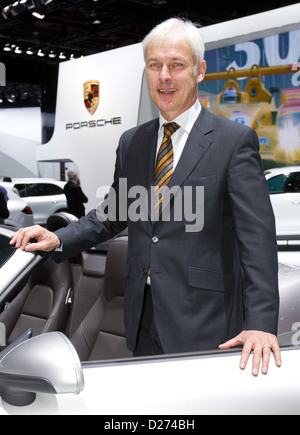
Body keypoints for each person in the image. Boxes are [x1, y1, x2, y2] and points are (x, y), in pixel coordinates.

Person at [10, 18, 281, 376]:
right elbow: (113, 213)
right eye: (155, 65)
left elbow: (256, 238)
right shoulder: (133, 142)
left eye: (176, 65)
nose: (164, 76)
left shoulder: (233, 142)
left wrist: (261, 322)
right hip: (142, 315)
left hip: (205, 320)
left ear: (199, 71)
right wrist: (58, 237)